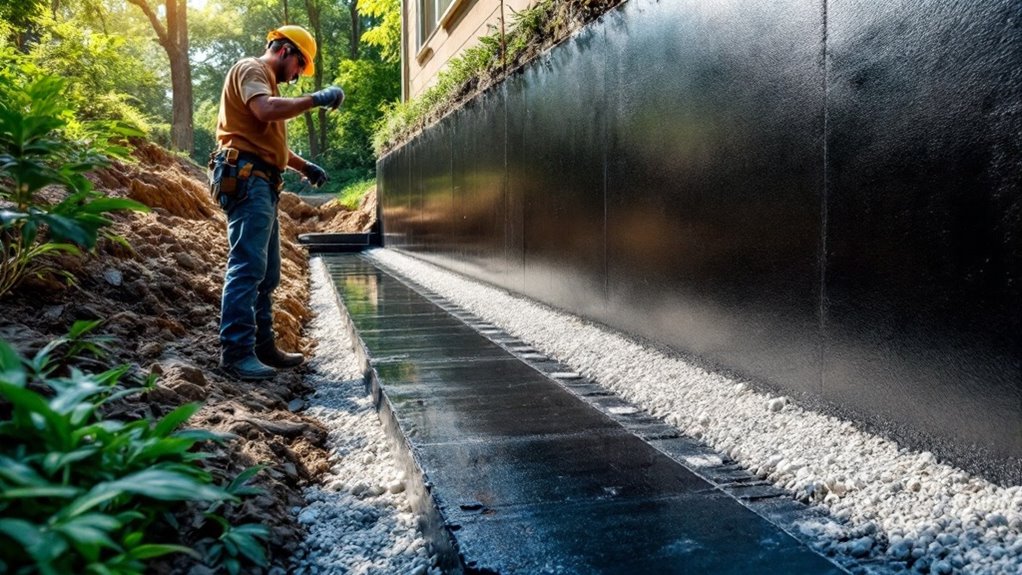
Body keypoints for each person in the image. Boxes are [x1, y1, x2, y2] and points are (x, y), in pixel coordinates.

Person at [209, 24, 345, 381]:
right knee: (247, 267)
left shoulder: (267, 82)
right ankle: (237, 353)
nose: (298, 76)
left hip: (261, 181)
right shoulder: (252, 69)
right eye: (300, 66)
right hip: (246, 179)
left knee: (266, 273)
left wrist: (303, 166)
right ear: (286, 51)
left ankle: (263, 346)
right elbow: (265, 112)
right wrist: (315, 99)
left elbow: (271, 142)